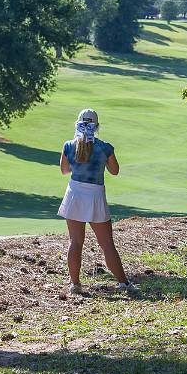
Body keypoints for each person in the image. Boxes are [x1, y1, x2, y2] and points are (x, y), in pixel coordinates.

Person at [58, 109, 136, 295]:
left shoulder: (69, 145)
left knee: (75, 242)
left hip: (75, 194)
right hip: (95, 196)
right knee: (107, 244)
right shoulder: (104, 147)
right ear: (97, 126)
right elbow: (115, 171)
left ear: (78, 124)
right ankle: (124, 283)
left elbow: (64, 170)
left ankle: (75, 285)